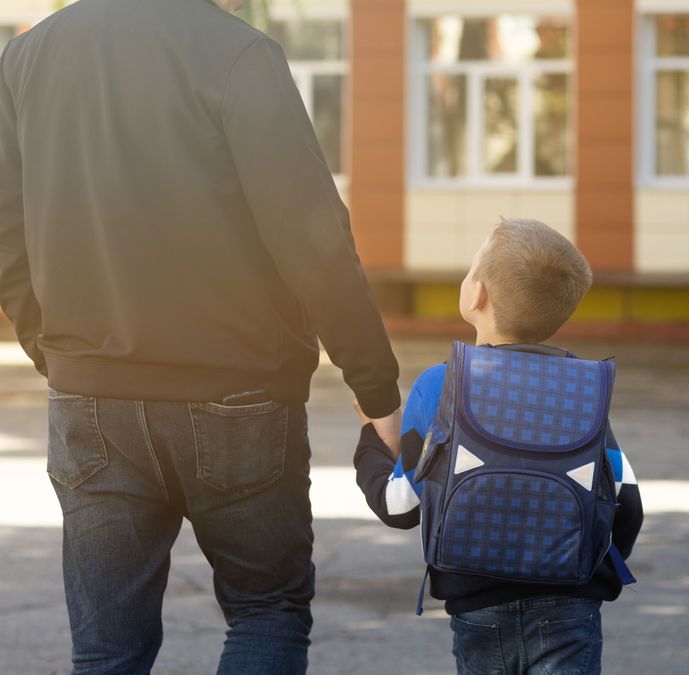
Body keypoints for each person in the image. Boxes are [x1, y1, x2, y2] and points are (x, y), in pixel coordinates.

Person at [0, 0, 404, 672]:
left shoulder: (26, 57)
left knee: (105, 650)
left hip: (90, 397)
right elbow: (314, 242)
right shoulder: (238, 52)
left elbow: (6, 231)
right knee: (267, 612)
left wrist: (57, 351)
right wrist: (377, 393)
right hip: (239, 394)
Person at [354, 218, 644, 675]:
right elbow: (627, 504)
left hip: (478, 609)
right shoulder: (583, 390)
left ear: (477, 294)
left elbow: (400, 505)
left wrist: (371, 442)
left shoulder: (441, 384)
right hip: (570, 606)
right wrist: (585, 575)